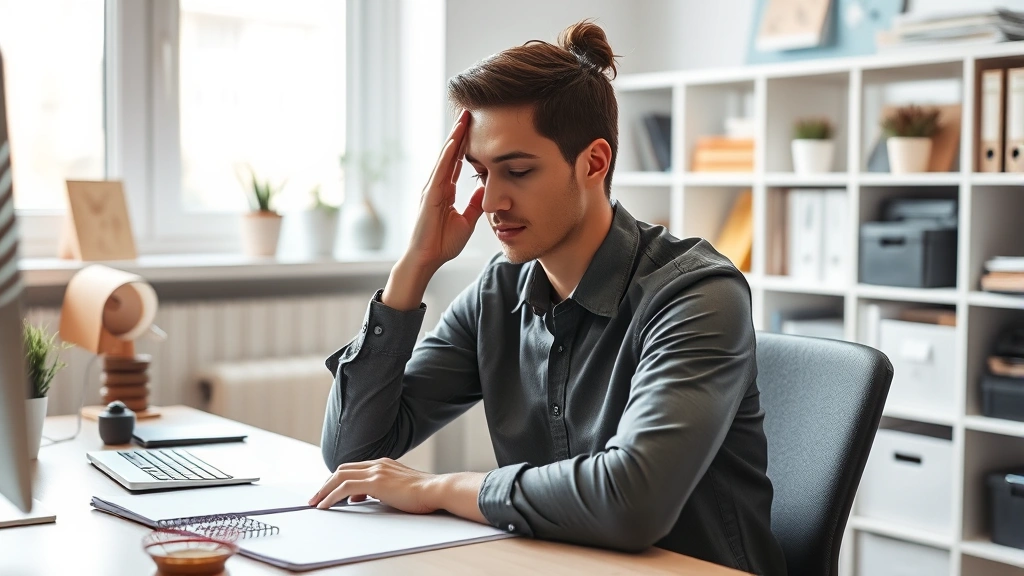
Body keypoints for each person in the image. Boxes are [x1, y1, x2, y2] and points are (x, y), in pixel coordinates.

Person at [309, 20, 786, 575]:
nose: (490, 202)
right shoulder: (499, 291)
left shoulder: (696, 295)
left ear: (593, 163)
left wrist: (442, 487)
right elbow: (352, 454)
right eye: (481, 173)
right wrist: (414, 266)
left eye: (517, 171)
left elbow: (631, 502)